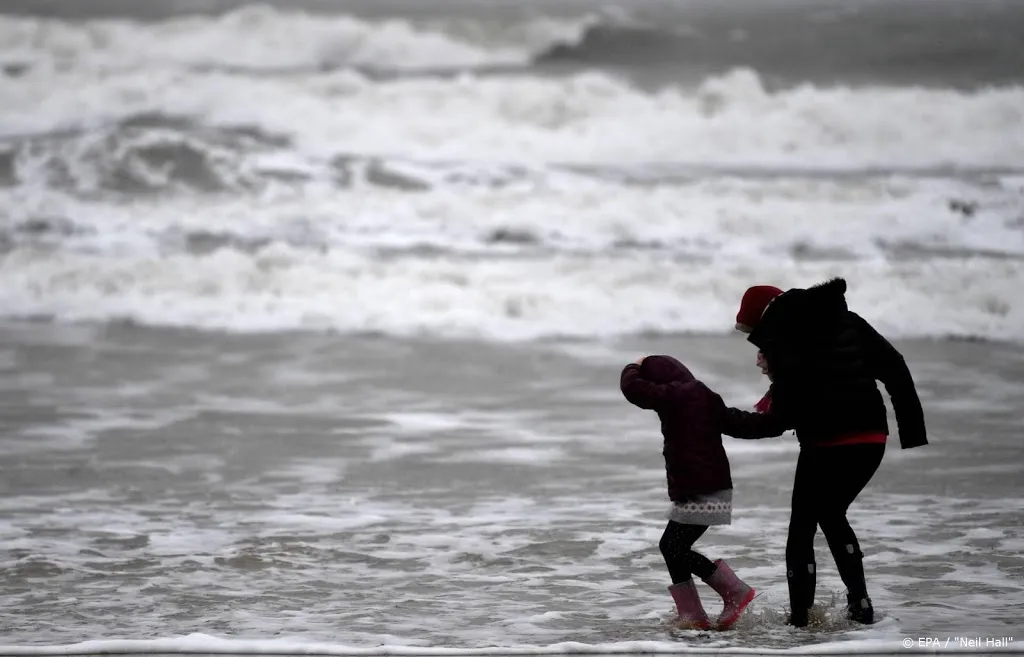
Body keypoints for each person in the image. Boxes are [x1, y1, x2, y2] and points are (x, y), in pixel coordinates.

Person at [729, 277, 928, 627]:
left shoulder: (784, 339)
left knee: (802, 530)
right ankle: (861, 606)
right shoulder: (847, 320)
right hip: (871, 438)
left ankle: (800, 620)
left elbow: (779, 420)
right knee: (832, 514)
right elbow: (894, 366)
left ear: (764, 319)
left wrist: (720, 420)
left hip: (827, 443)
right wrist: (911, 431)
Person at [619, 354, 762, 630]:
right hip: (709, 487)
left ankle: (734, 592)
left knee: (671, 546)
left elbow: (635, 391)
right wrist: (777, 421)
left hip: (700, 489)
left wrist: (633, 367)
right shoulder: (702, 395)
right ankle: (692, 615)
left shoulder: (678, 394)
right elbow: (740, 423)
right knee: (674, 547)